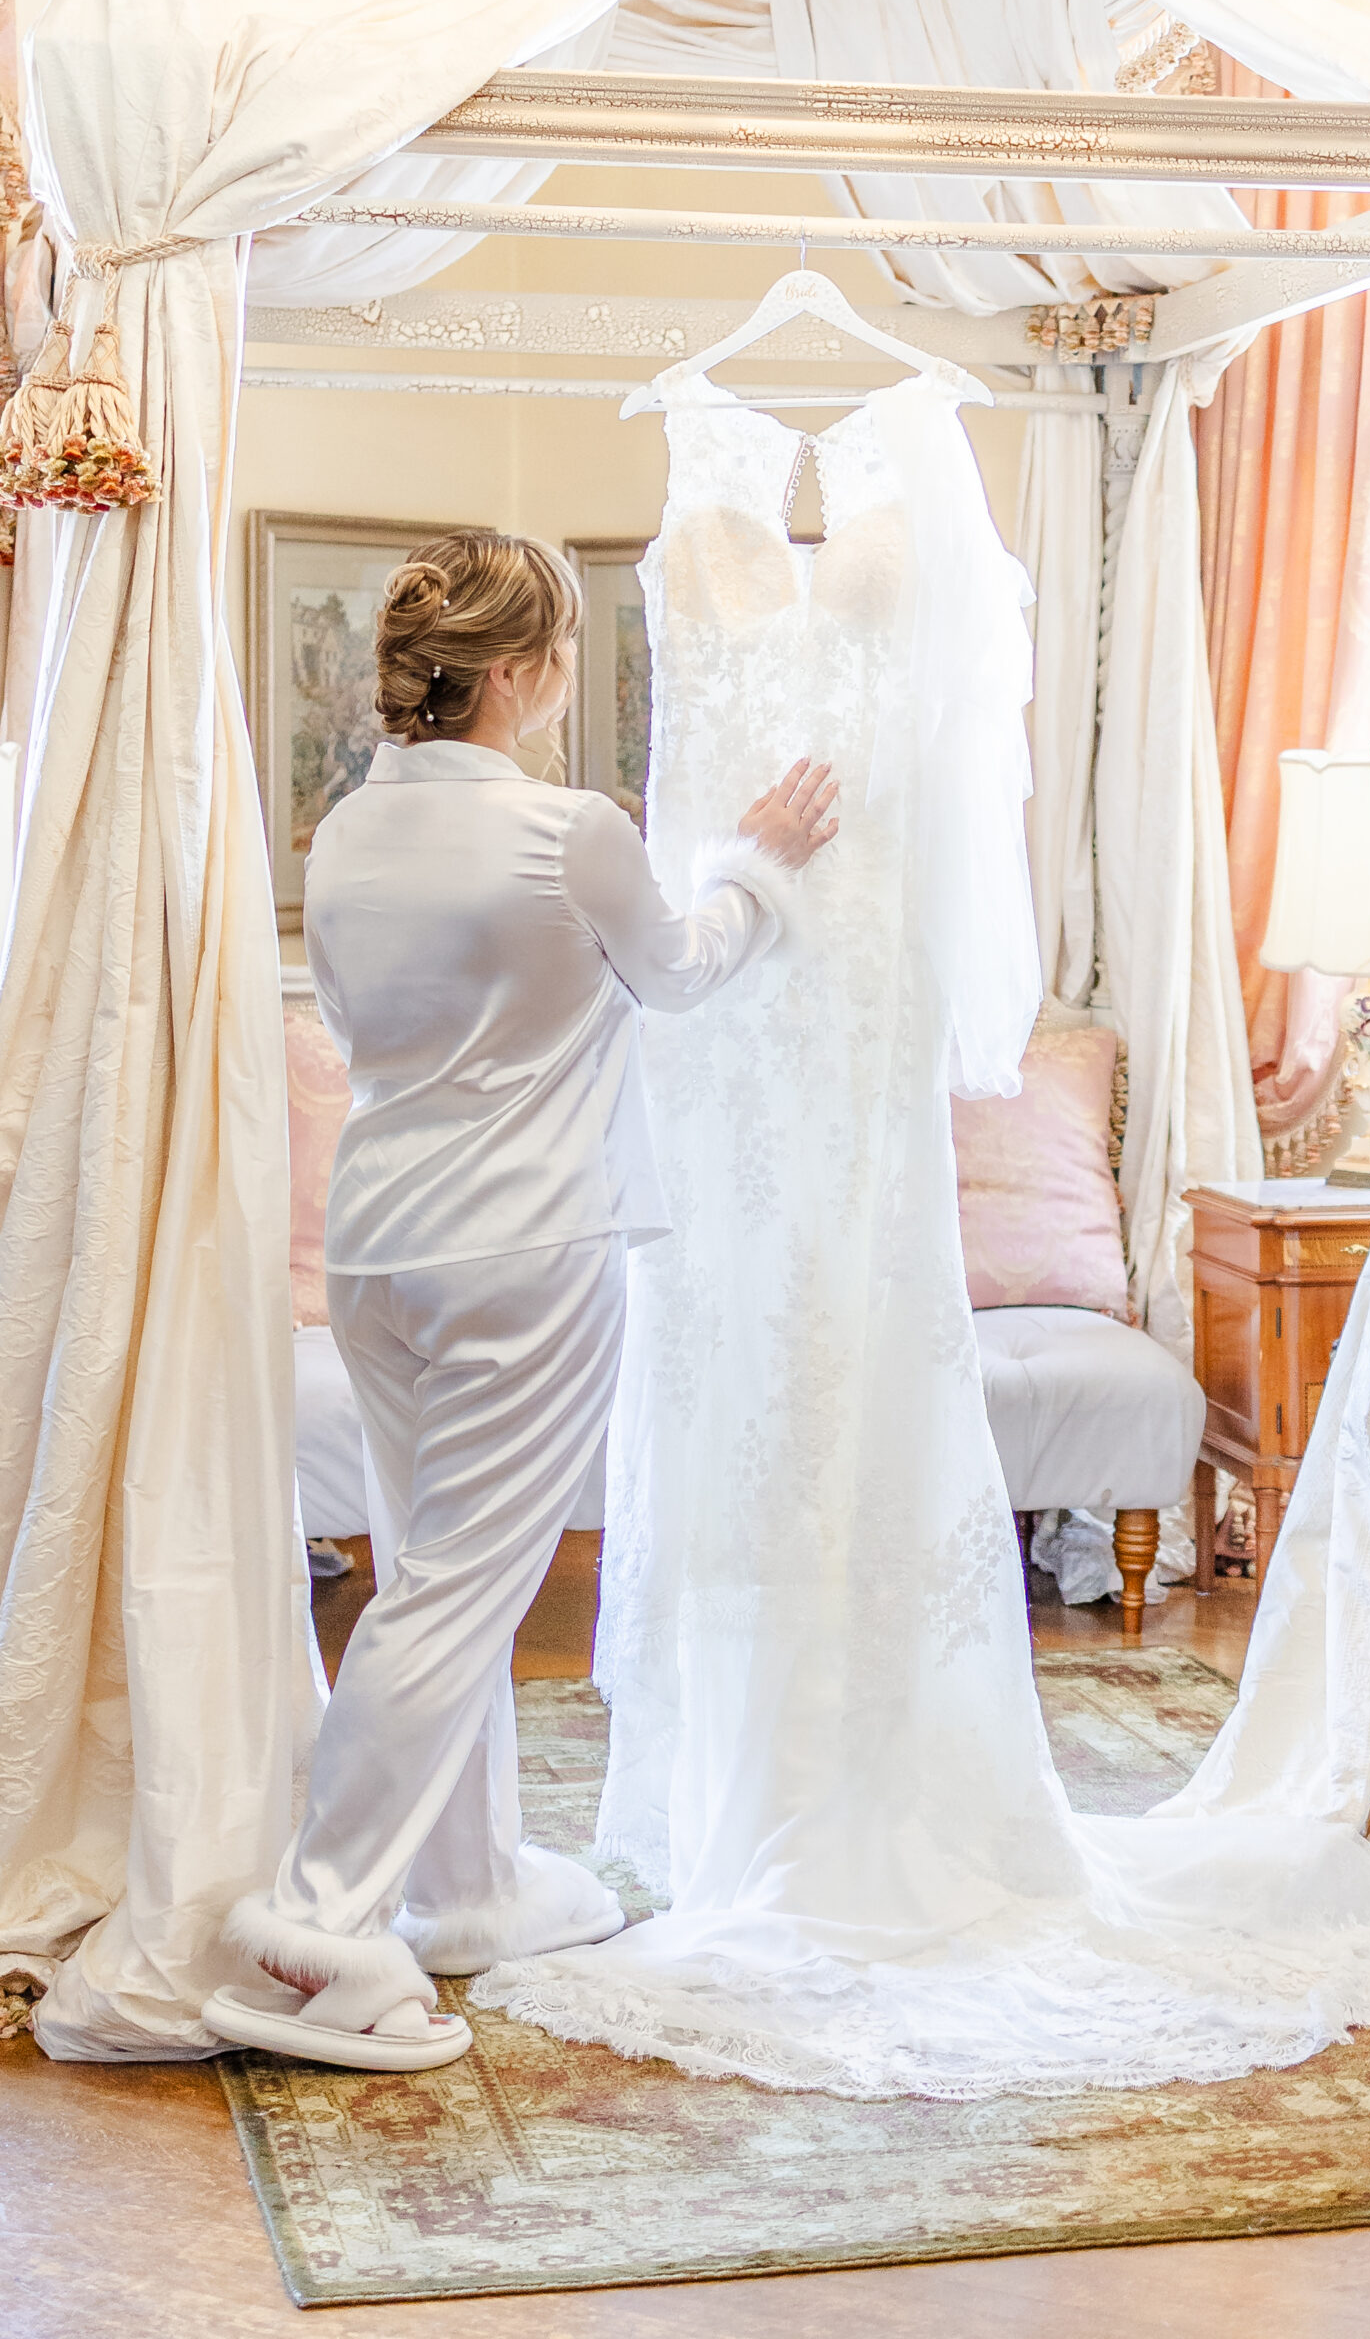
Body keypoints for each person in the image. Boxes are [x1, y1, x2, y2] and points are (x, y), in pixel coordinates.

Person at [203, 529, 837, 2072]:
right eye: (558, 654)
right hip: (529, 1248)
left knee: (434, 1571)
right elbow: (678, 977)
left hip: (377, 1242)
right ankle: (320, 1931)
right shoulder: (572, 829)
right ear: (516, 674)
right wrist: (757, 863)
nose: (563, 678)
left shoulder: (344, 831)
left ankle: (470, 1890)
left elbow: (362, 1025)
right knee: (453, 1593)